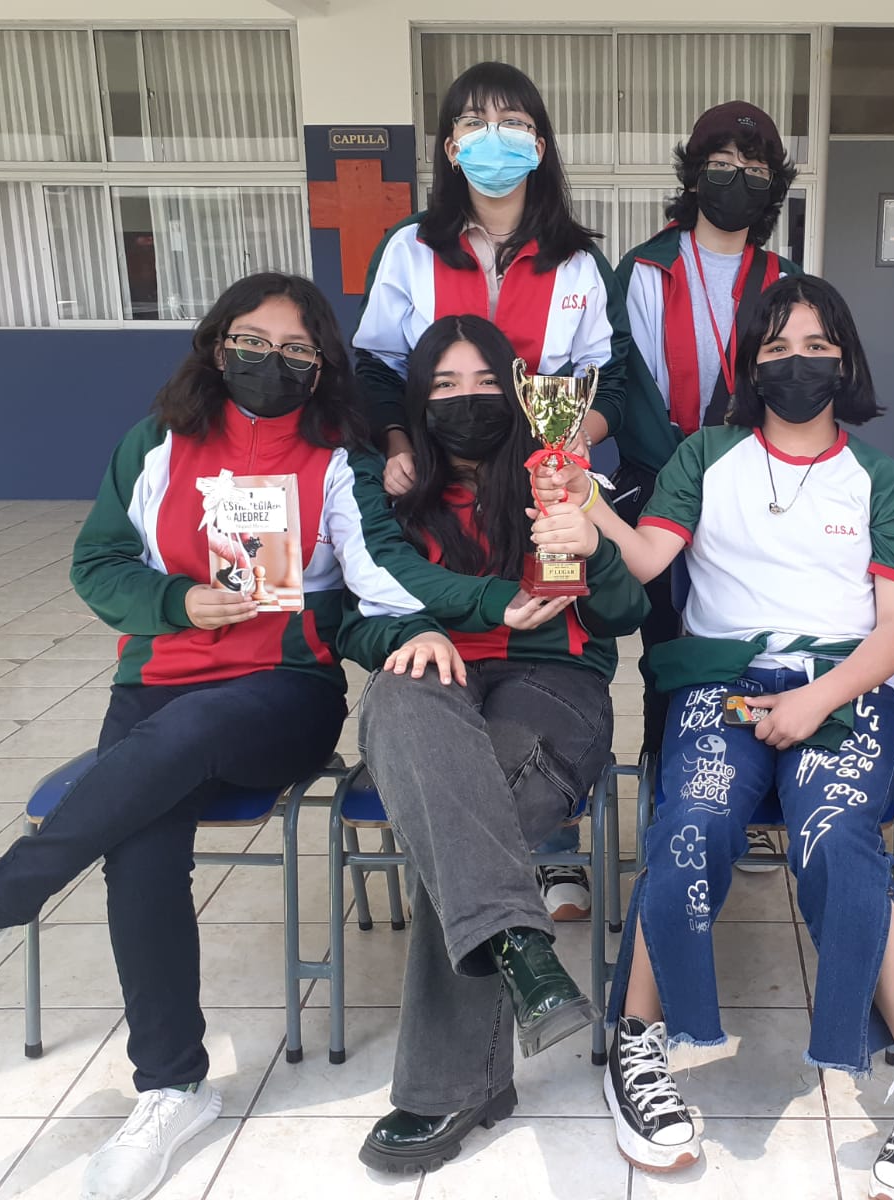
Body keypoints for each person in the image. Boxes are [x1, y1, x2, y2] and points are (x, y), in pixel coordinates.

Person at [0, 272, 516, 1200]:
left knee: (179, 741)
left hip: (281, 693)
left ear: (322, 368)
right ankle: (173, 1090)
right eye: (253, 342)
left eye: (297, 350)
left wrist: (479, 609)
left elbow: (384, 576)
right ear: (218, 346)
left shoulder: (336, 461)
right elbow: (98, 562)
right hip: (156, 682)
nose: (272, 361)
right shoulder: (157, 443)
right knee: (140, 845)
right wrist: (178, 600)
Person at [532, 276, 894, 1200]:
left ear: (844, 361)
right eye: (775, 347)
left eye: (816, 345)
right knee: (689, 823)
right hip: (719, 683)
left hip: (845, 688)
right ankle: (638, 1044)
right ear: (749, 365)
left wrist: (818, 698)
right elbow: (648, 558)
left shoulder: (882, 480)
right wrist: (585, 498)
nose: (796, 363)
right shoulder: (706, 455)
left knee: (838, 836)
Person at [340, 314, 647, 1176]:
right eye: (444, 385)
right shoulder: (392, 496)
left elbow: (626, 614)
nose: (466, 400)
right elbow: (348, 621)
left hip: (552, 686)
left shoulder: (564, 480)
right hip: (431, 682)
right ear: (416, 401)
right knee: (406, 700)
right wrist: (402, 635)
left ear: (518, 394)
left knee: (472, 815)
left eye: (484, 382)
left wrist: (596, 546)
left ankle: (450, 1085)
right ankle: (522, 949)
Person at [353, 59, 632, 920]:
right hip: (442, 477)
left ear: (540, 143)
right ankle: (516, 888)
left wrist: (568, 448)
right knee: (457, 671)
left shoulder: (578, 260)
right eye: (473, 123)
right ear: (449, 146)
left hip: (541, 489)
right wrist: (399, 442)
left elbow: (614, 381)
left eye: (512, 122)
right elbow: (375, 366)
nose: (493, 138)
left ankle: (531, 863)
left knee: (548, 650)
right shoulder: (411, 248)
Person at [612, 101, 801, 777]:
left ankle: (734, 773)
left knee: (742, 636)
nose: (737, 178)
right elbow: (629, 388)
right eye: (721, 164)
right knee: (665, 641)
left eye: (755, 169)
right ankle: (664, 767)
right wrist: (688, 477)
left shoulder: (783, 280)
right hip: (660, 483)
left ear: (772, 187)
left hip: (752, 490)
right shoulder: (644, 269)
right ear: (694, 176)